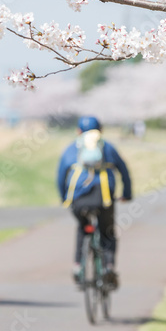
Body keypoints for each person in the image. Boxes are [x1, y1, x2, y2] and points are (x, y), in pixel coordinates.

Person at [57, 115, 132, 290]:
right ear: (101, 130)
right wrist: (127, 194)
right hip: (103, 197)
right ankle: (109, 267)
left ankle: (78, 266)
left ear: (78, 131)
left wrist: (64, 198)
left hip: (78, 199)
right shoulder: (107, 147)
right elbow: (124, 171)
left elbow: (60, 176)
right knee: (107, 232)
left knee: (83, 229)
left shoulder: (72, 148)